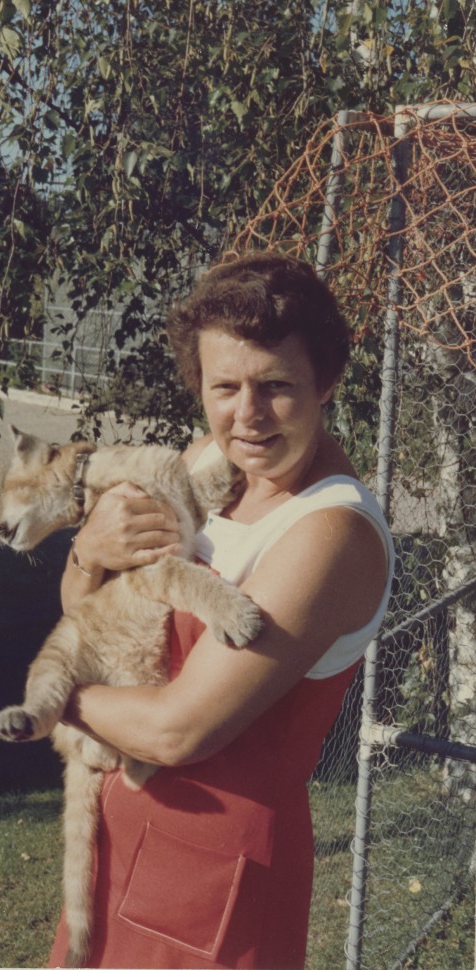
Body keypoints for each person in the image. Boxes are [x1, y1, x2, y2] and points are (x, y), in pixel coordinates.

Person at [48, 250, 395, 970]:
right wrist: (87, 550)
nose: (247, 416)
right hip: (117, 842)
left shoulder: (329, 533)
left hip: (213, 884)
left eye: (277, 386)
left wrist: (53, 697)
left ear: (326, 381)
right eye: (225, 387)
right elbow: (92, 616)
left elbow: (179, 730)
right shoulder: (211, 465)